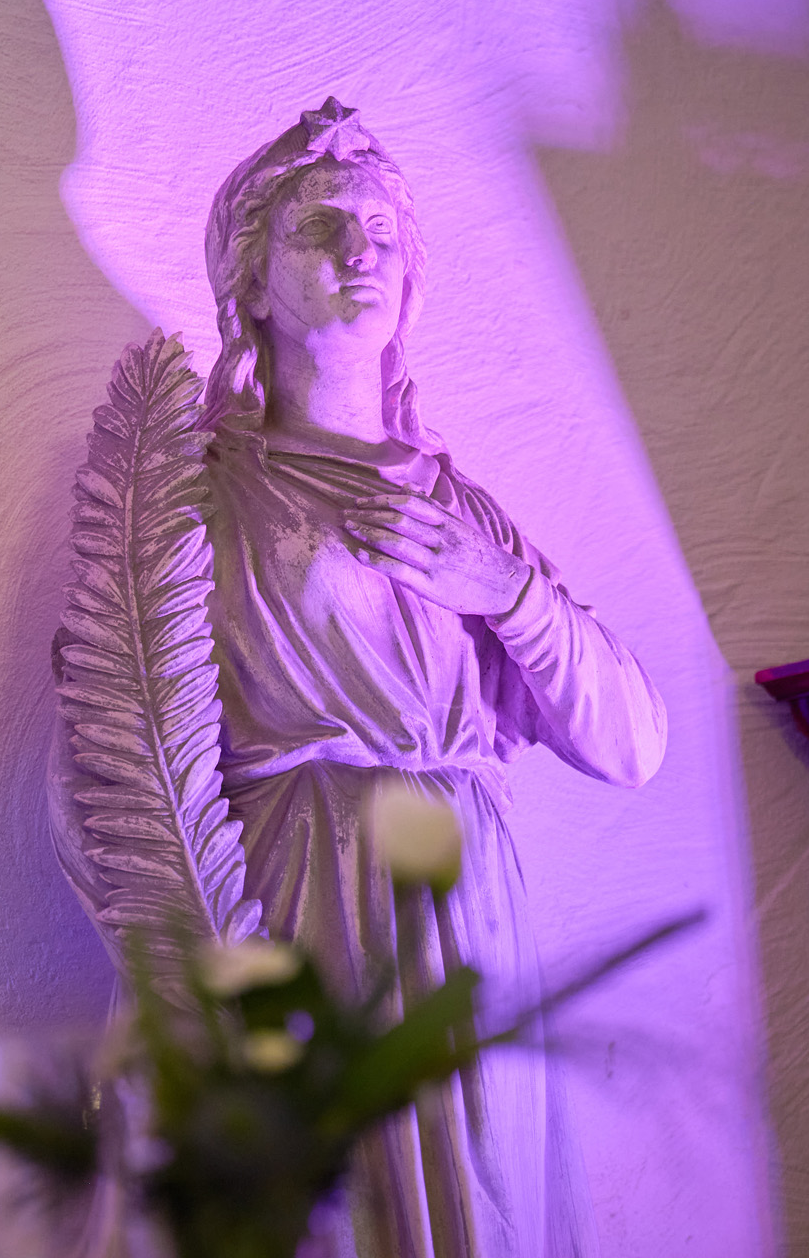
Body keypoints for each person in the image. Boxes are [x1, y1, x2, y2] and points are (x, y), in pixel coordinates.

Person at [197, 98, 667, 1256]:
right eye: (320, 226)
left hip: (469, 914)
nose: (359, 251)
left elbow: (632, 742)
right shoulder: (206, 499)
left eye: (381, 230)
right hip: (304, 897)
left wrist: (505, 588)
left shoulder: (460, 513)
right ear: (251, 284)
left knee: (482, 1212)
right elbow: (116, 747)